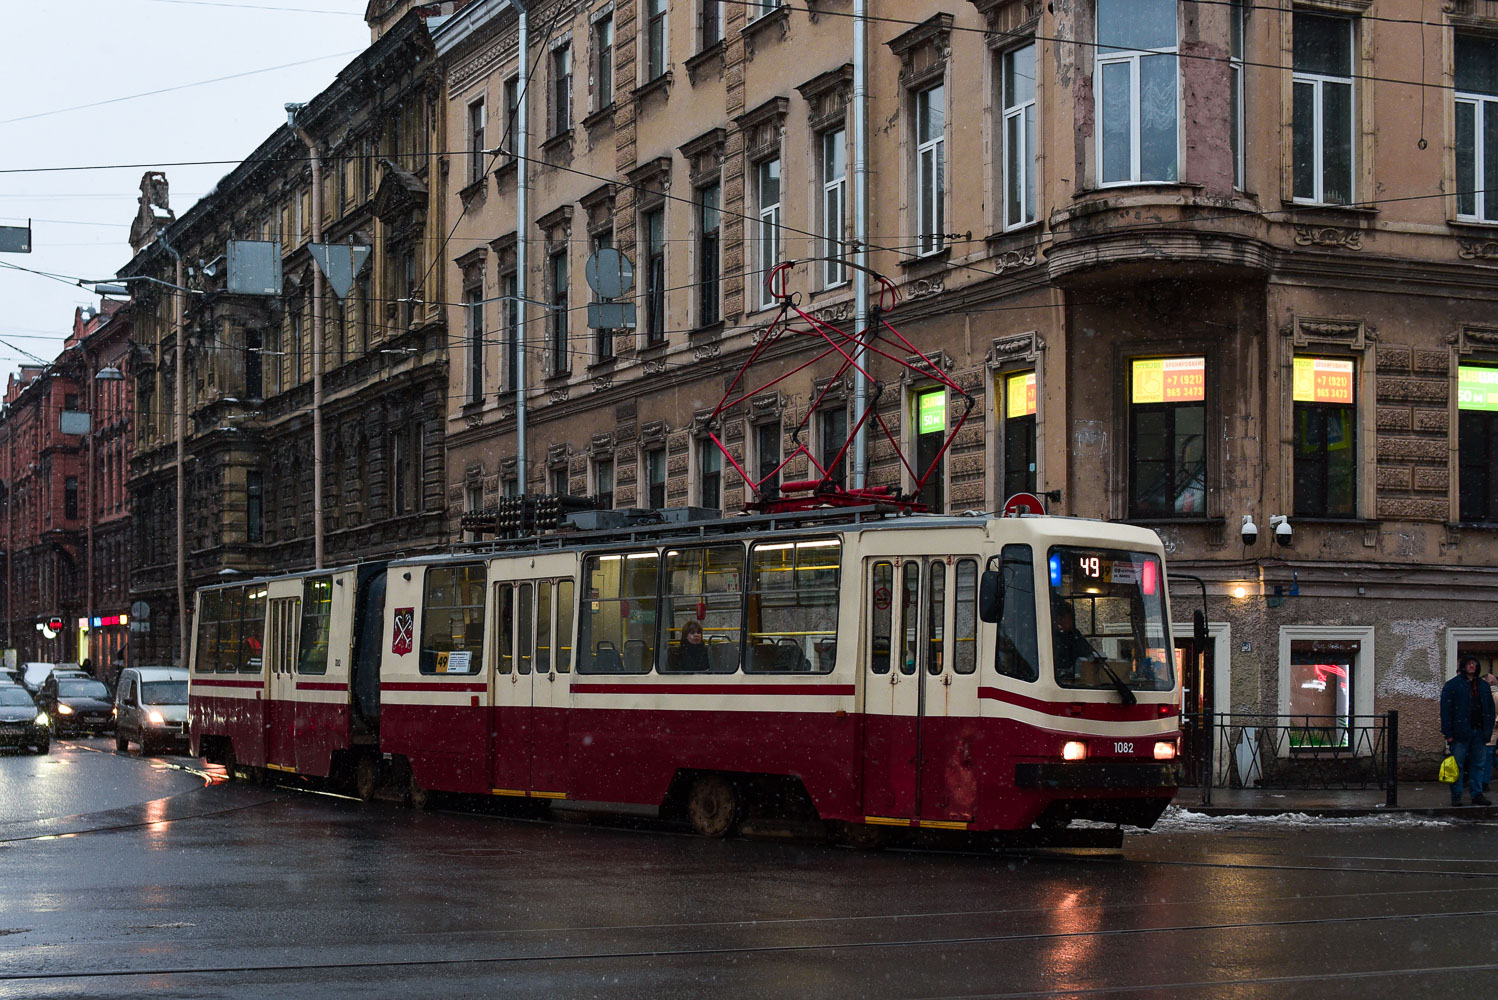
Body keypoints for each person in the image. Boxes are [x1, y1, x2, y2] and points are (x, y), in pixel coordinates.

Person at [1440, 656, 1495, 806]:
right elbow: (1446, 710)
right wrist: (1448, 733)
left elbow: (1490, 708)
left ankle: (1477, 794)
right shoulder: (1453, 685)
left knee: (1478, 764)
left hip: (1479, 731)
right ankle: (1457, 795)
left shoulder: (1482, 686)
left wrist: (1487, 730)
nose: (1472, 666)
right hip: (1460, 732)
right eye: (1469, 664)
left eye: (1474, 664)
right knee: (1458, 765)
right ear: (1463, 666)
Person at [1051, 600, 1102, 685]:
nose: (1072, 622)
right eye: (1070, 618)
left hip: (1076, 681)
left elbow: (1086, 650)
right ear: (1059, 618)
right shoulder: (1050, 636)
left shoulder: (1074, 634)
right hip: (1060, 682)